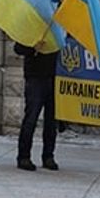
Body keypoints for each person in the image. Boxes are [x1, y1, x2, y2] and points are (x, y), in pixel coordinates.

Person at [15, 39, 58, 172]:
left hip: (55, 76)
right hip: (35, 76)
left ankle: (48, 156)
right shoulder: (31, 26)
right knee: (31, 119)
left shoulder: (61, 28)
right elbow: (18, 48)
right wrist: (33, 47)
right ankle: (24, 156)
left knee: (52, 121)